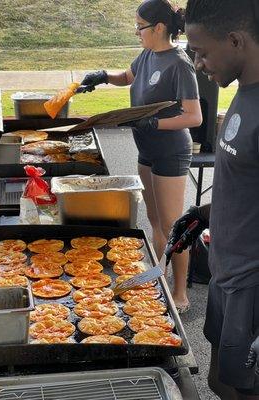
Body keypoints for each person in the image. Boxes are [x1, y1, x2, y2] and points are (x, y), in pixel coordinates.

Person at [81, 0, 202, 313]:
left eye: (140, 27)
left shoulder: (179, 63)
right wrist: (103, 76)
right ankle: (160, 278)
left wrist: (154, 122)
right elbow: (128, 76)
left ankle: (180, 294)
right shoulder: (148, 53)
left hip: (171, 152)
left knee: (174, 226)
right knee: (154, 221)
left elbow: (194, 116)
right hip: (146, 149)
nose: (137, 32)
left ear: (158, 28)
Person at [168, 0, 259, 398]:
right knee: (219, 382)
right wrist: (207, 213)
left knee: (245, 390)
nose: (199, 64)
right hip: (227, 270)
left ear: (236, 40)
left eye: (202, 52)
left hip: (252, 285)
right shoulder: (243, 92)